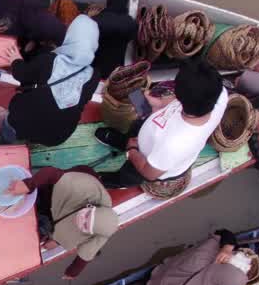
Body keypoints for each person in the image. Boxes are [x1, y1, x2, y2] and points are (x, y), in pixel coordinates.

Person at [96, 59, 228, 189]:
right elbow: (183, 98)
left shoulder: (174, 144)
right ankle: (125, 142)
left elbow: (148, 172)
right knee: (135, 131)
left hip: (149, 161)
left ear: (179, 93)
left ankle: (118, 180)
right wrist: (160, 103)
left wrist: (132, 151)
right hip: (152, 132)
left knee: (130, 174)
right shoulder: (218, 94)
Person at [0, 15, 100, 146]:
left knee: (14, 119)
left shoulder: (49, 60)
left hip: (22, 122)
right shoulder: (94, 75)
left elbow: (22, 74)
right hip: (58, 135)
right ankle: (34, 138)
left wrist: (16, 60)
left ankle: (8, 132)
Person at [10, 169, 117, 279]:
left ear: (92, 233)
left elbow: (85, 256)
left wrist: (72, 272)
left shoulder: (99, 236)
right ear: (92, 207)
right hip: (53, 194)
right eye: (87, 215)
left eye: (85, 226)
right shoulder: (81, 189)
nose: (81, 220)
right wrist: (28, 185)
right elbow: (51, 173)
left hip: (55, 217)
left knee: (30, 236)